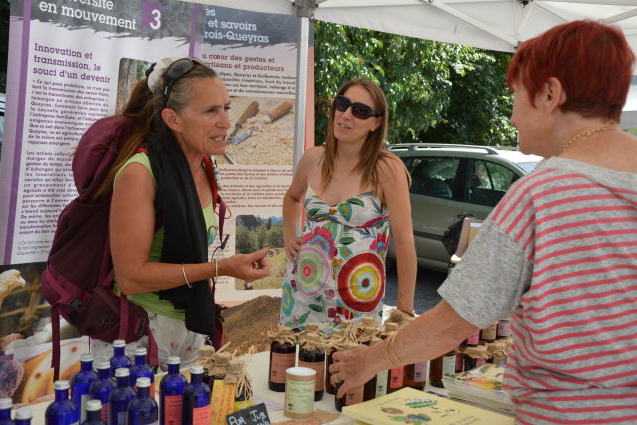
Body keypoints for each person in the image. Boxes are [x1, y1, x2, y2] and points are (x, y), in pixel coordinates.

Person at [330, 20, 637, 424]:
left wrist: (371, 359)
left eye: (516, 95)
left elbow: (452, 321)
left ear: (549, 94)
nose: (511, 116)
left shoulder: (541, 192)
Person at [91, 57, 270, 369]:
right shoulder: (140, 173)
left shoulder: (201, 164)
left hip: (187, 330)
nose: (226, 122)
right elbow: (131, 277)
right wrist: (220, 268)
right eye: (210, 111)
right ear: (172, 119)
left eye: (226, 107)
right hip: (138, 340)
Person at [279, 77, 416, 330]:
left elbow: (405, 243)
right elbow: (292, 197)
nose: (347, 114)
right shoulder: (313, 159)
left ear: (376, 123)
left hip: (356, 306)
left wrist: (404, 311)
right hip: (300, 296)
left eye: (360, 111)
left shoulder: (387, 169)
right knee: (295, 365)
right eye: (343, 104)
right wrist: (289, 235)